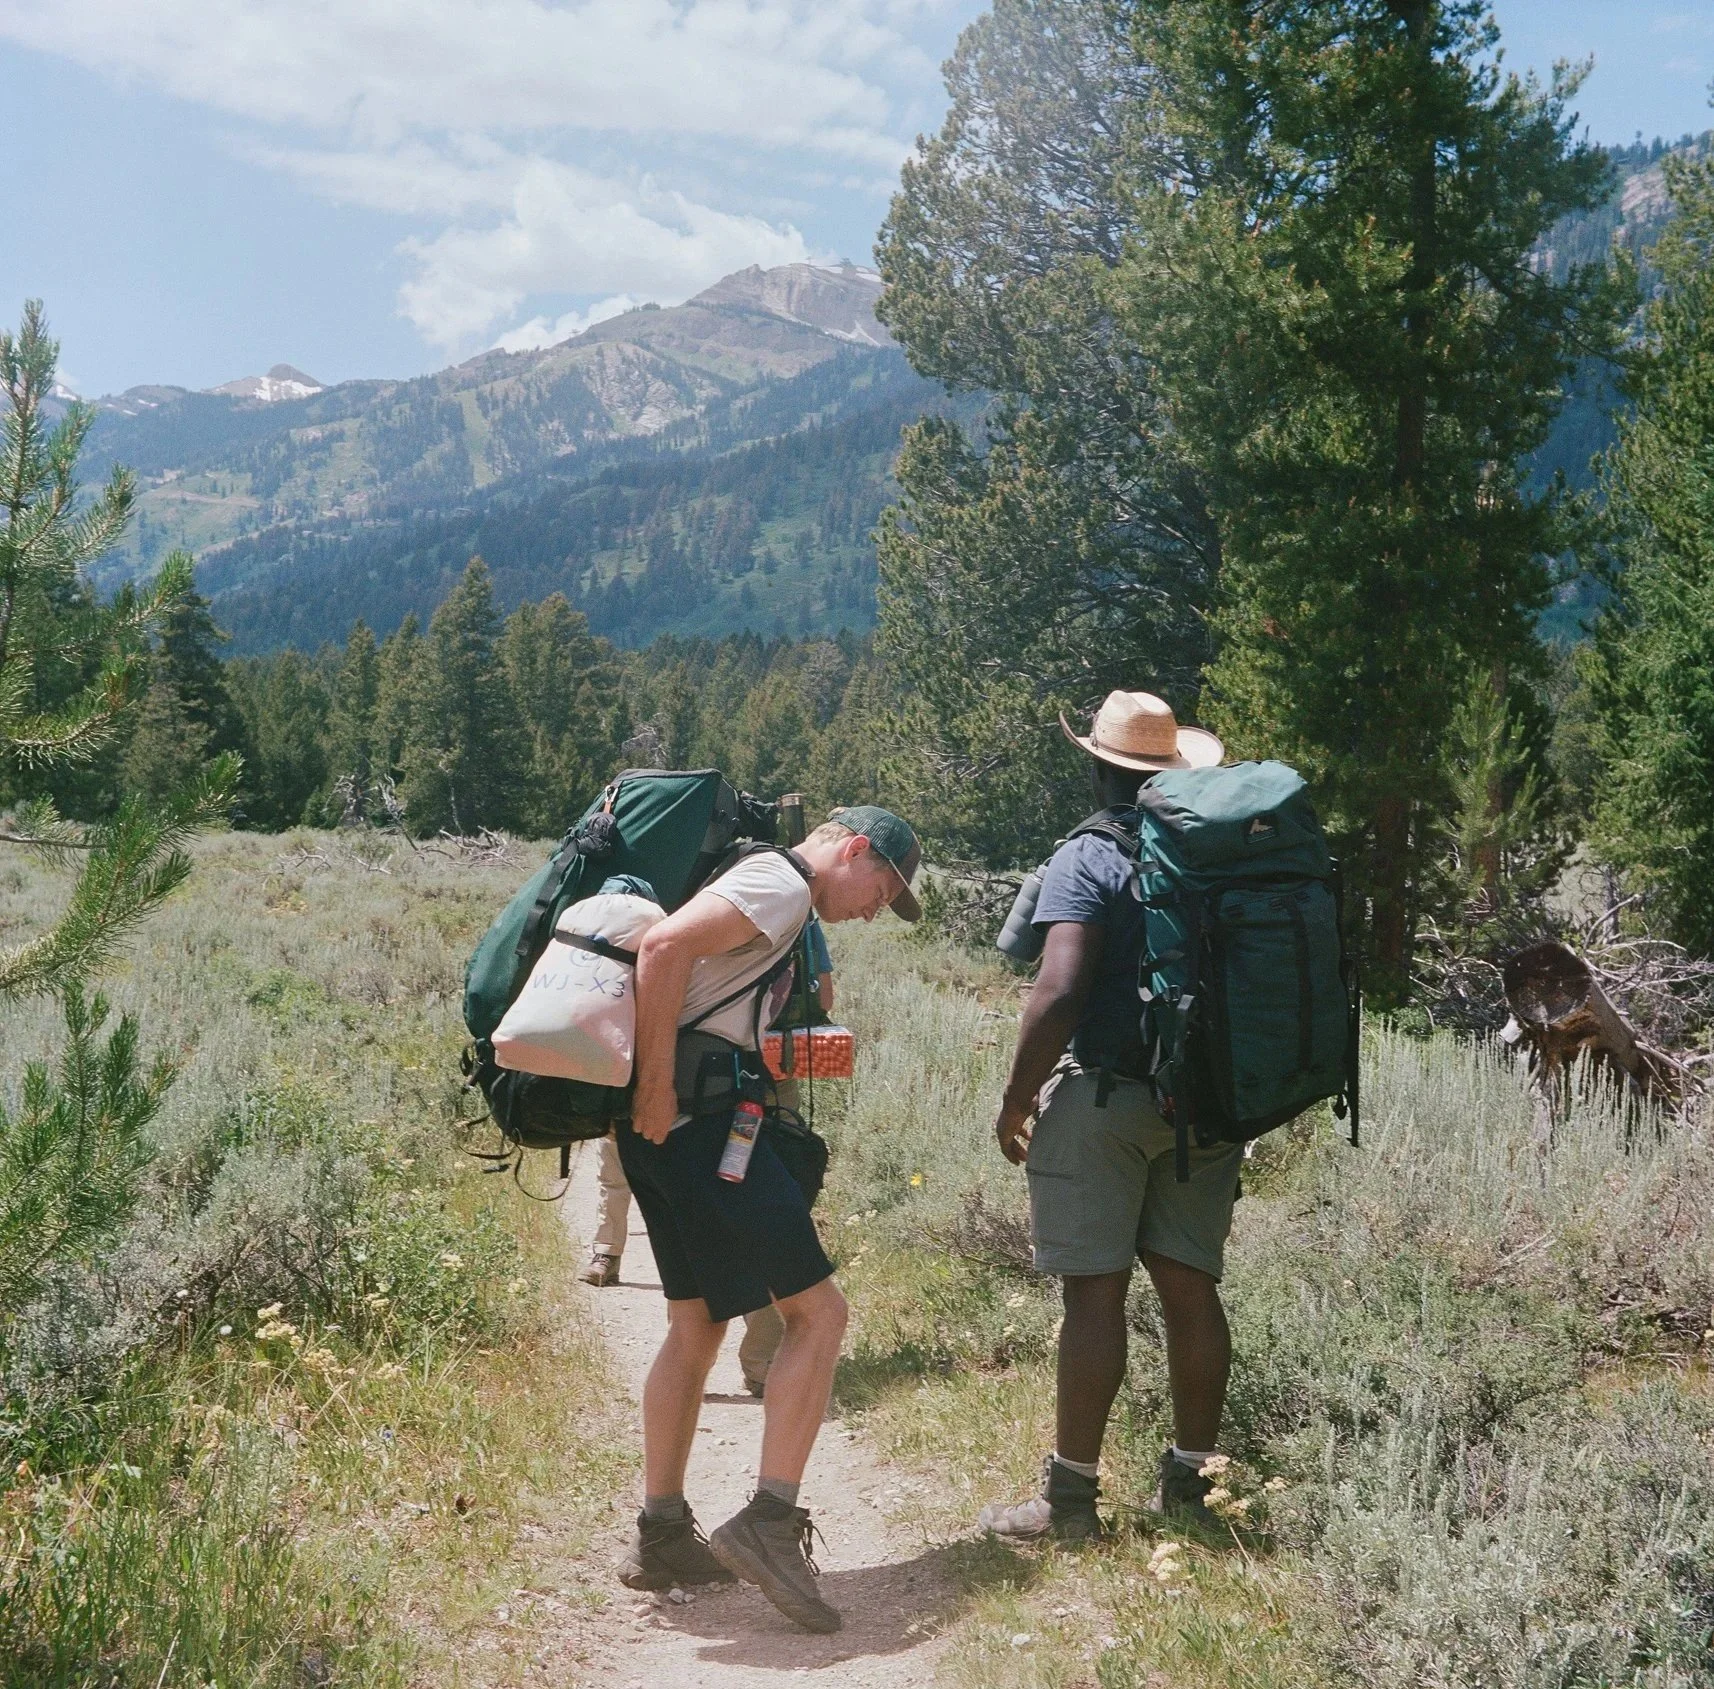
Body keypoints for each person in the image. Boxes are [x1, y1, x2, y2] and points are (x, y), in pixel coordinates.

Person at [615, 807, 921, 1634]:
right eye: (880, 889)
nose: (868, 910)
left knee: (696, 1322)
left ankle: (663, 1533)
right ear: (854, 849)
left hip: (672, 1128)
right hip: (706, 1125)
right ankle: (770, 1523)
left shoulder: (772, 888)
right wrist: (657, 1084)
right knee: (819, 1314)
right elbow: (663, 948)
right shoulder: (781, 883)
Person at [978, 691, 1240, 1543]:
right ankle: (1196, 1494)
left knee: (1095, 1296)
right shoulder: (1216, 851)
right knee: (1191, 1291)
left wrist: (1018, 1098)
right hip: (1205, 1107)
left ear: (1098, 764)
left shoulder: (1089, 854)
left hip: (1107, 1096)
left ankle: (1071, 1505)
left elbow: (1057, 991)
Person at [581, 920, 837, 1399]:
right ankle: (761, 1363)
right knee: (769, 1220)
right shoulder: (797, 917)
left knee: (686, 1218)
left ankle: (686, 1345)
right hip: (765, 1079)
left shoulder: (685, 909)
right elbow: (823, 999)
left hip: (692, 1082)